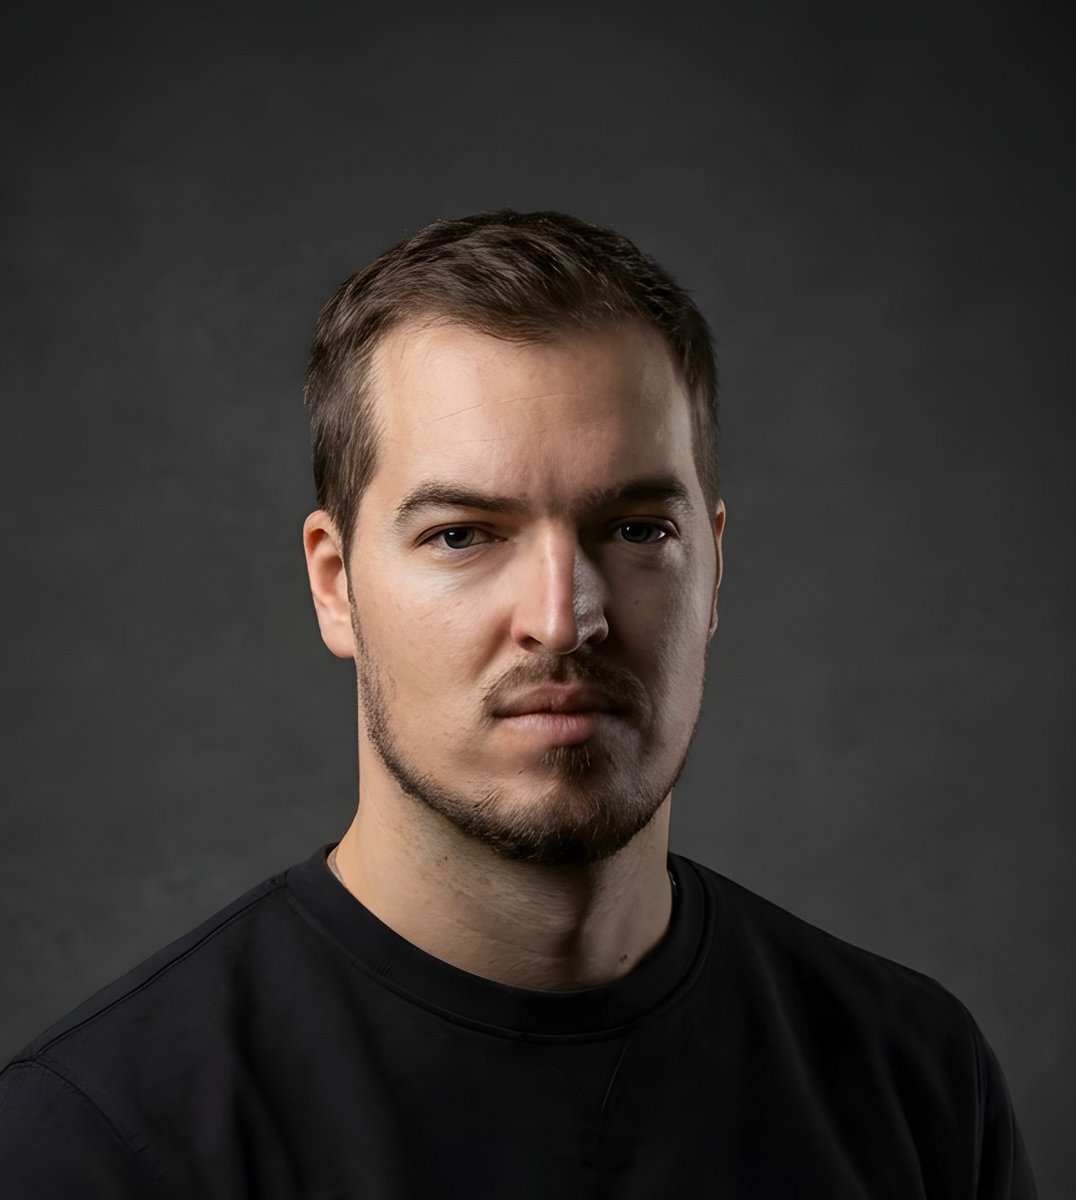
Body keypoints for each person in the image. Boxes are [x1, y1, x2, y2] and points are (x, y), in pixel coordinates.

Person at [0, 210, 1035, 1198]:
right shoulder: (97, 1142)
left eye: (636, 530)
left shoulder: (914, 1081)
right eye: (461, 534)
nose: (563, 618)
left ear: (714, 569)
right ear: (334, 583)